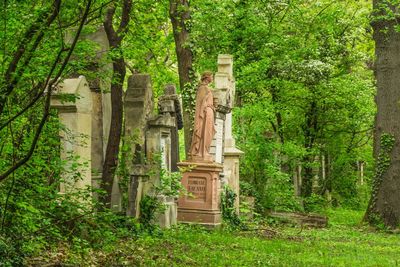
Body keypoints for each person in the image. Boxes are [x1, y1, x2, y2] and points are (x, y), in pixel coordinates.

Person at [189, 71, 216, 162]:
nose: (212, 78)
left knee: (209, 133)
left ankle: (205, 151)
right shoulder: (202, 88)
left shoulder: (208, 88)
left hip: (209, 113)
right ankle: (201, 152)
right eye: (211, 76)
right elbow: (200, 105)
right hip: (205, 115)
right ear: (207, 77)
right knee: (204, 132)